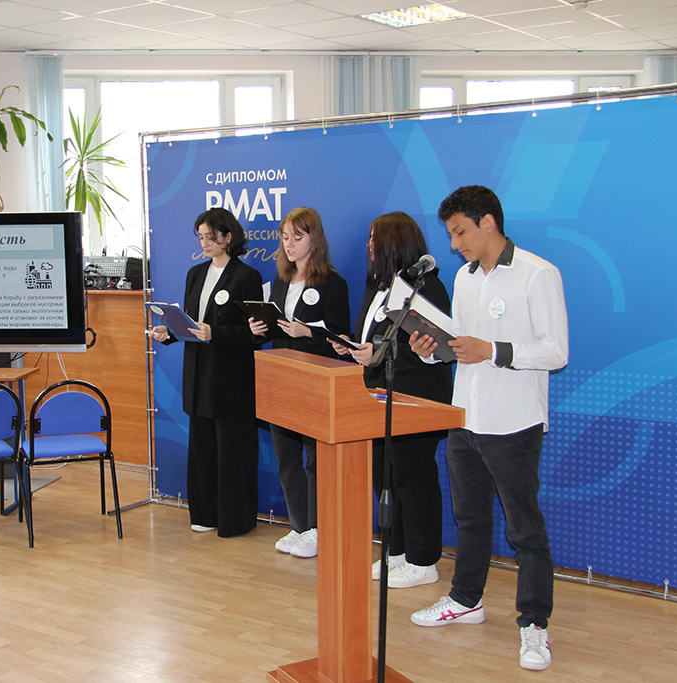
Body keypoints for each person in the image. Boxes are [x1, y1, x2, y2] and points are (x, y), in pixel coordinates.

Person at [408, 186, 568, 672]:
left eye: (460, 232)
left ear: (488, 223)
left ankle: (534, 624)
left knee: (525, 529)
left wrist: (493, 351)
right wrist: (430, 350)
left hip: (514, 422)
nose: (455, 244)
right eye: (451, 235)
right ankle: (466, 599)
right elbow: (460, 345)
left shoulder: (538, 273)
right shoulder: (464, 277)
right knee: (470, 518)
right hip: (466, 417)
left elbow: (556, 351)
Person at [329, 212, 452, 588]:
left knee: (413, 475)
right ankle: (396, 550)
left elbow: (433, 346)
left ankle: (423, 559)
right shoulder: (377, 284)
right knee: (385, 473)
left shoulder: (427, 287)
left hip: (416, 396)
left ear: (395, 242)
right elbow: (370, 335)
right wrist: (352, 346)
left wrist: (377, 352)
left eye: (374, 239)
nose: (368, 246)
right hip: (376, 394)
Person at [151, 208, 263, 537]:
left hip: (230, 377)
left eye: (211, 237)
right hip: (198, 374)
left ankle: (235, 520)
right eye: (200, 237)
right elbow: (190, 324)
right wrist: (168, 333)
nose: (205, 243)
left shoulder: (247, 276)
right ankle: (204, 513)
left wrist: (215, 332)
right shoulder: (195, 273)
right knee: (201, 450)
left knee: (232, 453)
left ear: (228, 236)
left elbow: (253, 333)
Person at [249, 207, 349, 559]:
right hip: (282, 378)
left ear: (314, 239)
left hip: (315, 379)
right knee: (286, 457)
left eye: (297, 237)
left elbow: (342, 338)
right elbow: (272, 329)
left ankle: (319, 528)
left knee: (314, 459)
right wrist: (258, 328)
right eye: (284, 237)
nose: (289, 244)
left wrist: (307, 332)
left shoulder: (333, 283)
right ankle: (300, 525)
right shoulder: (280, 280)